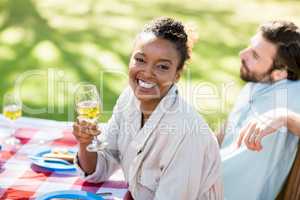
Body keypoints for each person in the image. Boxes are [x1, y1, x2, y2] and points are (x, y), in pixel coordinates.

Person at [73, 17, 223, 200]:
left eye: (162, 66)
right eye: (140, 59)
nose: (147, 72)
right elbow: (99, 168)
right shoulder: (128, 99)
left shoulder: (186, 133)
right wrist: (85, 141)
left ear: (177, 74)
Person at [218, 20, 300, 200]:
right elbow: (226, 133)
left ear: (280, 73)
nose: (242, 54)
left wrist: (286, 117)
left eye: (255, 56)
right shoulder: (258, 81)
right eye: (250, 47)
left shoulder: (295, 92)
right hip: (208, 181)